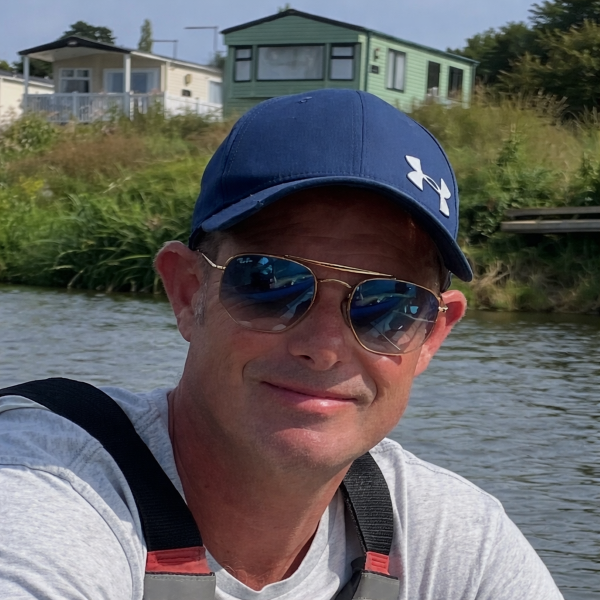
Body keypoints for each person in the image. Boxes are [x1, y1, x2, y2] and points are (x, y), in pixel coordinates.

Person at [0, 89, 563, 599]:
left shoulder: (454, 541)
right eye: (271, 284)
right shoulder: (44, 486)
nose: (324, 346)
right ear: (188, 293)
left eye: (387, 305)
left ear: (431, 335)